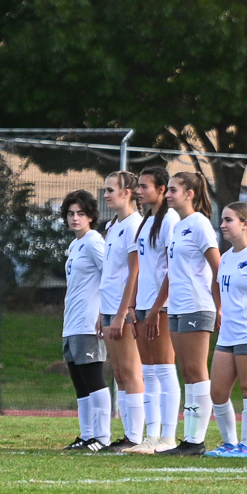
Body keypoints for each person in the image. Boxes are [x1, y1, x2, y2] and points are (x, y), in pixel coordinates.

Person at [162, 172, 222, 457]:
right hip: (177, 307)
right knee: (186, 371)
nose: (167, 194)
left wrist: (219, 305)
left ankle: (196, 440)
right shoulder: (178, 226)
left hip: (197, 305)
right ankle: (188, 438)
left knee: (197, 371)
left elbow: (217, 267)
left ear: (190, 194)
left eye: (173, 189)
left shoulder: (199, 224)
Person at [205, 201, 247, 457]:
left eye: (228, 220)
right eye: (222, 220)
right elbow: (218, 287)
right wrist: (219, 309)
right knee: (218, 391)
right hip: (228, 333)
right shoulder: (227, 258)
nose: (222, 225)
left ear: (246, 224)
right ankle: (229, 443)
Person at [128, 168, 179, 455]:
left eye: (144, 186)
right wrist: (134, 305)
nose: (139, 191)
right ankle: (152, 435)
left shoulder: (170, 220)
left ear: (161, 189)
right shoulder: (146, 222)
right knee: (148, 371)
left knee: (164, 368)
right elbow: (140, 269)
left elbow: (172, 269)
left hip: (162, 306)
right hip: (144, 305)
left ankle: (168, 437)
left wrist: (158, 307)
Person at [95, 172, 144, 451]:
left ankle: (135, 437)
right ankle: (128, 435)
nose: (106, 195)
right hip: (108, 307)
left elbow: (135, 272)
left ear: (127, 193)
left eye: (111, 190)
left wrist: (122, 312)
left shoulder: (135, 225)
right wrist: (102, 312)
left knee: (130, 370)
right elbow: (110, 273)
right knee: (119, 373)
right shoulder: (113, 226)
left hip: (120, 310)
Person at [59, 190, 112, 452]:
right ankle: (87, 435)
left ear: (90, 216)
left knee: (93, 379)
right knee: (79, 382)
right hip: (72, 322)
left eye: (80, 213)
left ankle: (102, 437)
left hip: (89, 322)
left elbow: (110, 275)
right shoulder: (75, 245)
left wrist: (104, 312)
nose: (75, 218)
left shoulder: (93, 242)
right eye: (71, 214)